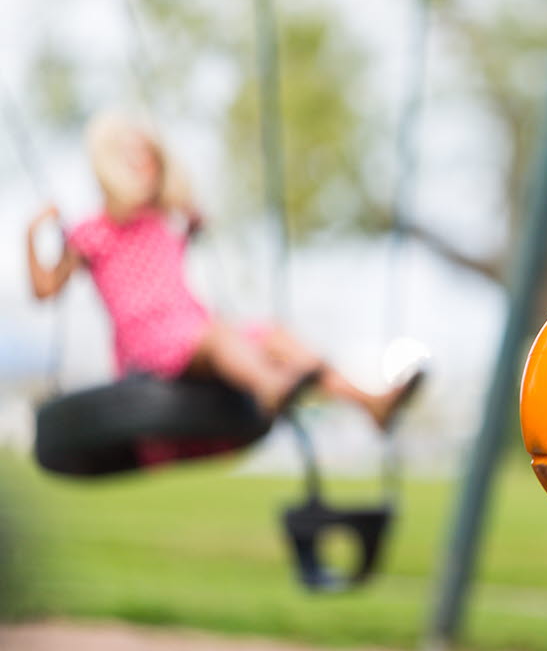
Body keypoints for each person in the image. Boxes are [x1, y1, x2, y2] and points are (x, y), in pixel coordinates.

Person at [26, 110, 422, 429]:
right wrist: (32, 236)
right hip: (147, 345)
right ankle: (270, 387)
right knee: (218, 334)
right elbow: (46, 290)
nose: (146, 167)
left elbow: (186, 225)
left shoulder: (164, 220)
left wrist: (193, 223)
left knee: (274, 336)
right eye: (136, 159)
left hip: (195, 332)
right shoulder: (91, 233)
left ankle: (370, 401)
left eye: (151, 158)